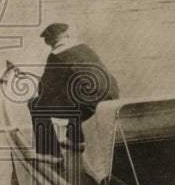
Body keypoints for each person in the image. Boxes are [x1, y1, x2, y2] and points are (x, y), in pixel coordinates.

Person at [27, 23, 120, 159]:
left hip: (90, 106)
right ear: (67, 35)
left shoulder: (56, 55)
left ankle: (50, 154)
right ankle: (76, 139)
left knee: (36, 104)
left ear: (48, 41)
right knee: (75, 93)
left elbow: (44, 92)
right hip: (112, 98)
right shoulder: (83, 47)